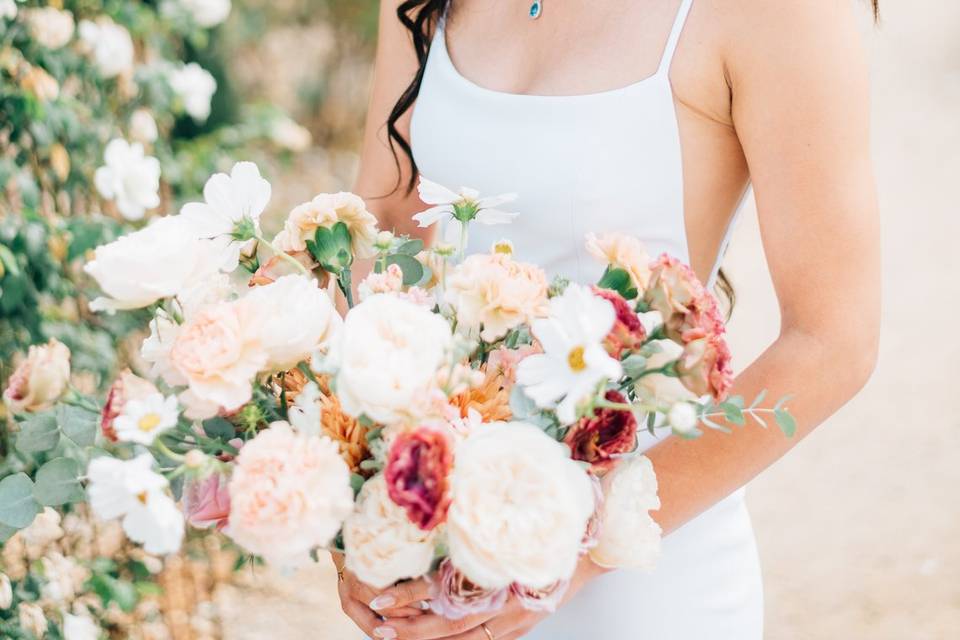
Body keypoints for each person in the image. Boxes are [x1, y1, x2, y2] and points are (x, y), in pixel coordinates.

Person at [336, 0, 881, 637]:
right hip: (442, 568)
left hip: (642, 573)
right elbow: (387, 228)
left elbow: (833, 341)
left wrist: (577, 548)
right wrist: (367, 503)